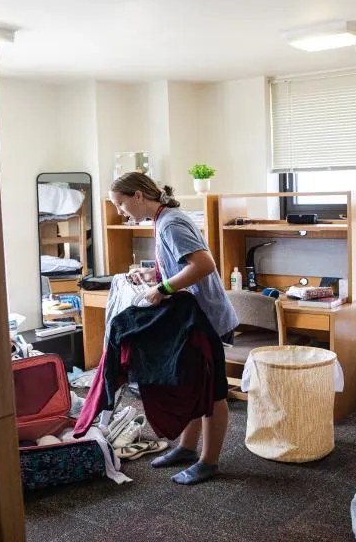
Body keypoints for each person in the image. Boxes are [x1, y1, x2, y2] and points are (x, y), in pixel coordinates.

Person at [108, 172, 239, 485]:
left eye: (120, 203)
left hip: (204, 319)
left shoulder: (170, 223)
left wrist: (163, 288)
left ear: (138, 195)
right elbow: (181, 264)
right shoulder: (162, 220)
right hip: (191, 318)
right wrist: (153, 275)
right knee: (192, 384)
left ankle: (209, 462)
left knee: (213, 392)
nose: (120, 211)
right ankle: (187, 448)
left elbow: (204, 265)